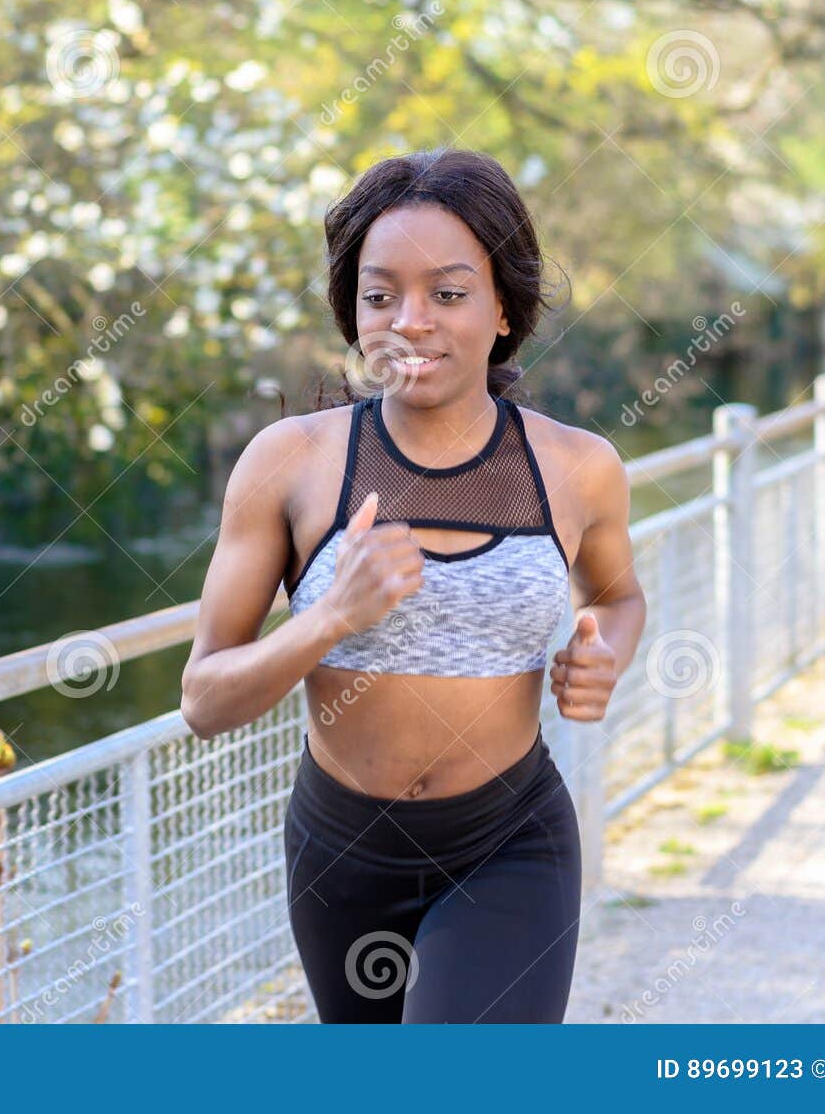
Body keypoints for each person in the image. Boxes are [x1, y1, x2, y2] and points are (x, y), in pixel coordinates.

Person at [179, 148, 647, 1023]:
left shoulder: (578, 468)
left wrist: (604, 656)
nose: (410, 322)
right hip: (341, 855)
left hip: (510, 844)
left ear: (505, 307)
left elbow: (618, 598)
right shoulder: (291, 464)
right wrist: (329, 619)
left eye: (450, 293)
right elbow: (204, 702)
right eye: (381, 294)